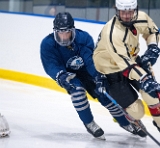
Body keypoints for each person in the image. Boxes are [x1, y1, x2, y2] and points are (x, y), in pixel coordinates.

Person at [40, 12, 146, 140]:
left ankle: (126, 122)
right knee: (77, 91)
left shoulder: (84, 38)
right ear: (55, 31)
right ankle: (89, 122)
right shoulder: (47, 44)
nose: (63, 36)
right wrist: (60, 76)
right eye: (60, 32)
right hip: (68, 74)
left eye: (66, 32)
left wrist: (98, 77)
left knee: (105, 93)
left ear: (72, 30)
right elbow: (51, 65)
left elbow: (90, 60)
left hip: (86, 71)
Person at [93, 0, 160, 133]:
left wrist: (152, 46)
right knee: (137, 111)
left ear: (135, 9)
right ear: (117, 10)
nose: (127, 15)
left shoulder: (141, 17)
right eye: (123, 12)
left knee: (153, 96)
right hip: (111, 69)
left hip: (131, 60)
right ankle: (129, 115)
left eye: (130, 11)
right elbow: (126, 66)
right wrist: (145, 79)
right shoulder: (112, 33)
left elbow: (152, 31)